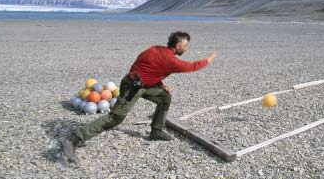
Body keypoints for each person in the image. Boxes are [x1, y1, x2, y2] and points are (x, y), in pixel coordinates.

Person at [60, 31, 217, 163]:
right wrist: (209, 59)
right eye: (185, 45)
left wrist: (159, 84)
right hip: (132, 87)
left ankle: (156, 131)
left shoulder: (155, 49)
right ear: (177, 46)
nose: (187, 48)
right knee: (115, 118)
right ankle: (73, 139)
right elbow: (192, 66)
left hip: (143, 84)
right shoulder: (171, 60)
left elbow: (146, 67)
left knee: (164, 98)